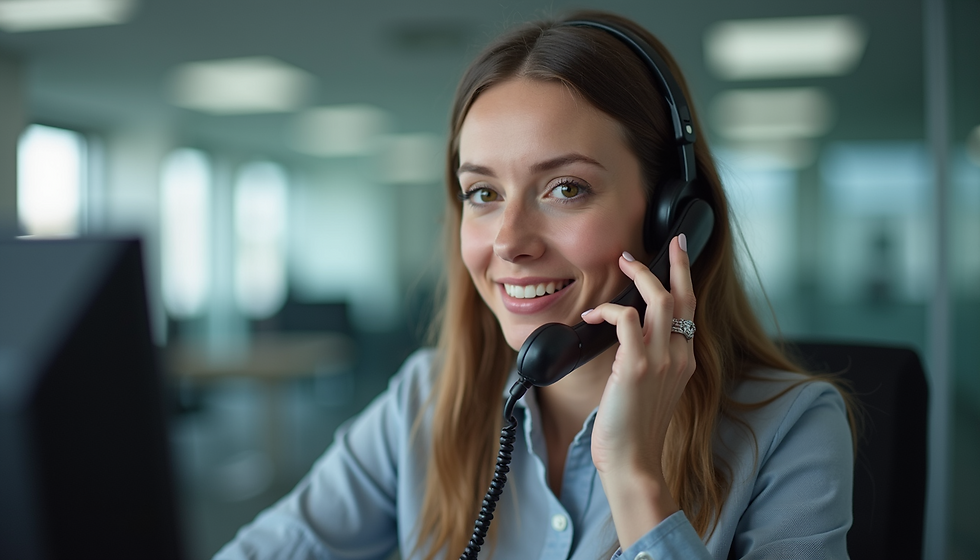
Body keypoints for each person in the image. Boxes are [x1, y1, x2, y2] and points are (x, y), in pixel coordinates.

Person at [215, 10, 854, 560]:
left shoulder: (788, 429)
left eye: (565, 188)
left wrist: (635, 480)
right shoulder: (426, 401)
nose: (509, 241)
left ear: (673, 218)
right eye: (483, 193)